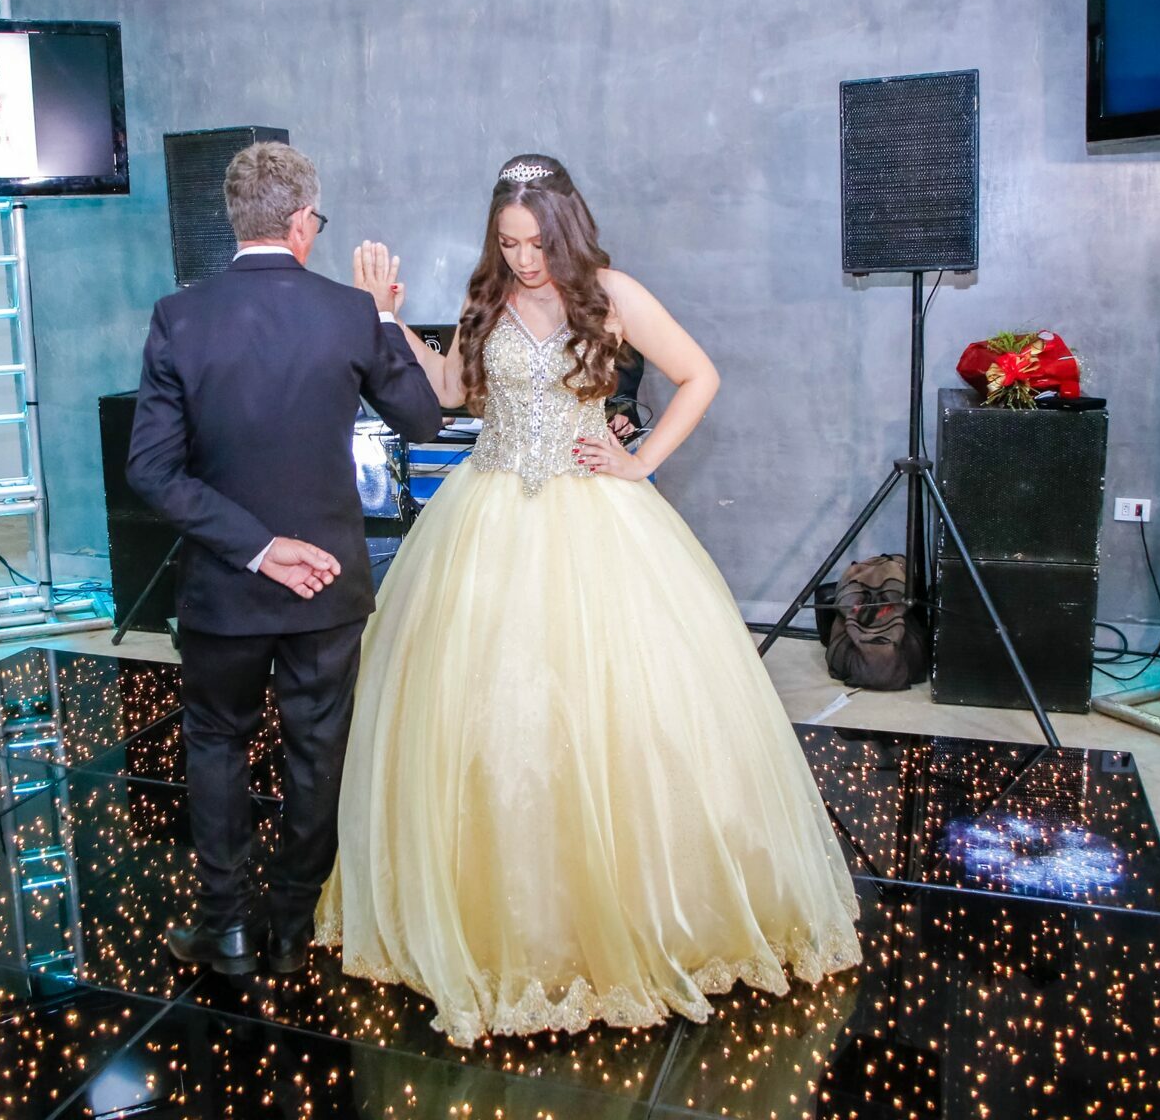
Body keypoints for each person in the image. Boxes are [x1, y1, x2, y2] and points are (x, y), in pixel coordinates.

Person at [318, 155, 862, 1045]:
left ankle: (639, 908)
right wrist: (387, 319)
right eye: (507, 242)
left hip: (594, 520)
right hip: (486, 516)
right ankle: (503, 912)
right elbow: (450, 393)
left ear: (564, 229)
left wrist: (640, 462)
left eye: (535, 242)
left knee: (617, 712)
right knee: (488, 720)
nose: (523, 258)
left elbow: (699, 375)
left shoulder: (611, 295)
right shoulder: (486, 297)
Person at [126, 141, 444, 977]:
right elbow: (422, 419)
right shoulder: (349, 313)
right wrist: (385, 318)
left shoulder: (179, 317)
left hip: (223, 584)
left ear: (238, 219)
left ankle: (226, 928)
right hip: (328, 584)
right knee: (318, 748)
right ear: (303, 221)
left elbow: (150, 471)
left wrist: (257, 548)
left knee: (215, 743)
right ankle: (294, 927)